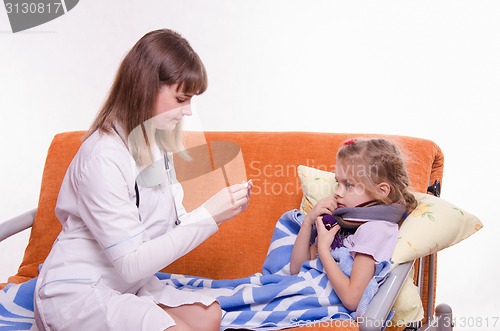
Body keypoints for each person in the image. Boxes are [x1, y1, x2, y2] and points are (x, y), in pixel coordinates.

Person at [34, 29, 252, 331]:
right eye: (180, 98)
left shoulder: (153, 146)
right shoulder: (103, 156)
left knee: (209, 316)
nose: (187, 111)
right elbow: (131, 262)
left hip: (126, 284)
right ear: (146, 88)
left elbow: (173, 228)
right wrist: (210, 215)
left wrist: (217, 209)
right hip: (77, 289)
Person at [290, 137, 417, 312]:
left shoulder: (375, 229)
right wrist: (308, 222)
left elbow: (352, 299)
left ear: (381, 191)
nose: (338, 193)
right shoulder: (344, 222)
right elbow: (296, 270)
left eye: (348, 185)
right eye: (338, 183)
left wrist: (324, 251)